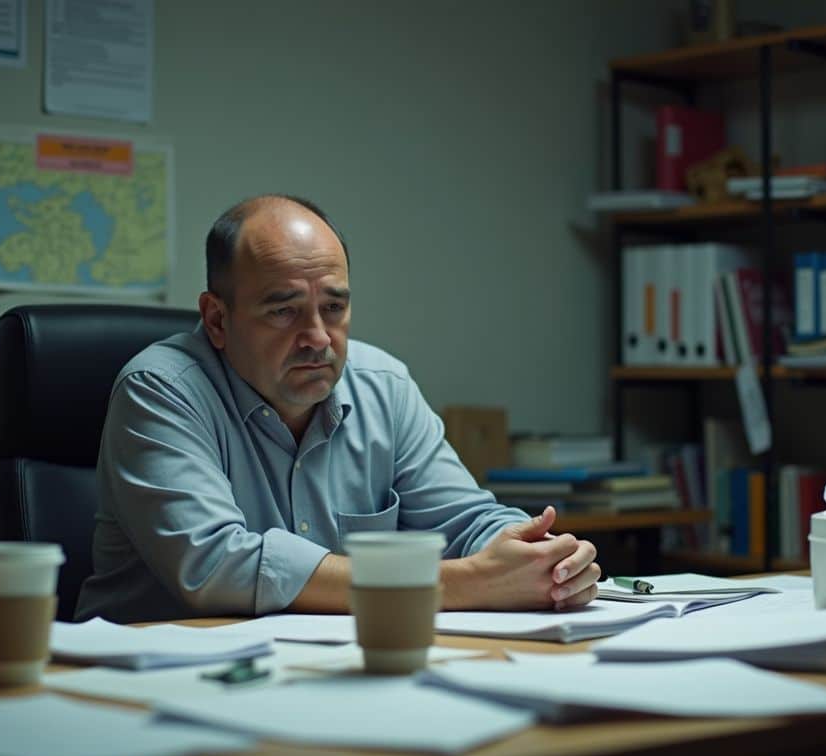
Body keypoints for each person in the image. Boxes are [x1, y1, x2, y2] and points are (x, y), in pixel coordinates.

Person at [76, 194, 601, 623]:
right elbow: (216, 565)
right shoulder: (160, 390)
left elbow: (464, 520)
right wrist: (467, 583)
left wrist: (536, 558)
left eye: (334, 307)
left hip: (328, 672)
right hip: (158, 684)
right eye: (283, 311)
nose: (317, 339)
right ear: (216, 319)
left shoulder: (384, 386)